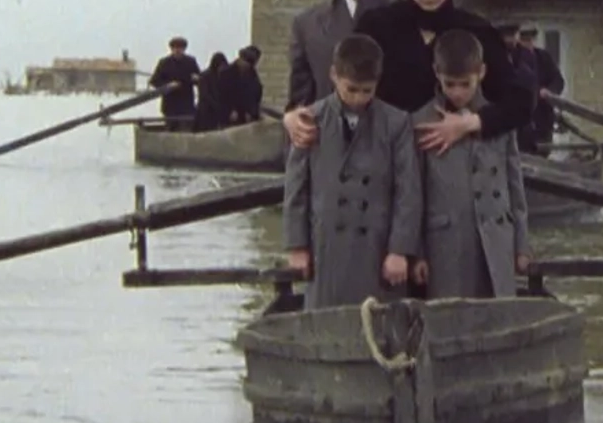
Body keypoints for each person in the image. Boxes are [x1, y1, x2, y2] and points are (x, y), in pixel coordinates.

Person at [288, 0, 533, 159]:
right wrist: (294, 117)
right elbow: (346, 87)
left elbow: (519, 101)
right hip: (386, 159)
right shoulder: (378, 26)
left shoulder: (477, 31)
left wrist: (470, 123)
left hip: (454, 162)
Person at [282, 34, 421, 309]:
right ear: (334, 75)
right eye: (351, 89)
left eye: (367, 90)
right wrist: (297, 246)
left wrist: (399, 250)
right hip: (326, 246)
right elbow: (296, 186)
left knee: (381, 331)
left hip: (378, 249)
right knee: (324, 327)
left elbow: (408, 190)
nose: (358, 98)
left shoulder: (396, 123)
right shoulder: (310, 119)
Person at [411, 29, 530, 300]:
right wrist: (417, 252)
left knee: (497, 316)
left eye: (466, 84)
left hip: (495, 236)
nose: (457, 93)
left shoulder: (499, 119)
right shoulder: (420, 122)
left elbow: (514, 184)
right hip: (445, 242)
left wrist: (521, 244)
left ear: (482, 73)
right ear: (436, 74)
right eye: (449, 84)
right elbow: (414, 191)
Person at [496, 23, 544, 154]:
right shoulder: (494, 53)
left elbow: (532, 83)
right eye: (506, 36)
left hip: (523, 112)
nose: (509, 40)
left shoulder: (526, 55)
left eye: (512, 35)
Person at [519, 27, 566, 153]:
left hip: (542, 118)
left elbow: (558, 80)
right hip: (521, 122)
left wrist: (549, 91)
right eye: (524, 40)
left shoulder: (543, 57)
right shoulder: (512, 59)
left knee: (542, 152)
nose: (528, 44)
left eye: (530, 40)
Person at [148, 37, 202, 131]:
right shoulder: (164, 62)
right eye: (175, 48)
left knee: (187, 131)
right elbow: (154, 81)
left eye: (180, 48)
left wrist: (196, 79)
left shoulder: (190, 61)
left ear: (184, 49)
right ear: (171, 49)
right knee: (170, 130)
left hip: (186, 104)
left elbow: (199, 80)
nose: (178, 51)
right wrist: (168, 85)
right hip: (170, 105)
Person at [223, 46, 265, 125]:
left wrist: (252, 111)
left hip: (245, 116)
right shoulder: (227, 73)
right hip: (230, 116)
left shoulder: (251, 74)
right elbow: (225, 94)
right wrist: (231, 110)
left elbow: (254, 92)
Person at [193, 52, 230, 133]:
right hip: (205, 112)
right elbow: (204, 94)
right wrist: (216, 105)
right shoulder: (204, 76)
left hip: (217, 112)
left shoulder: (222, 76)